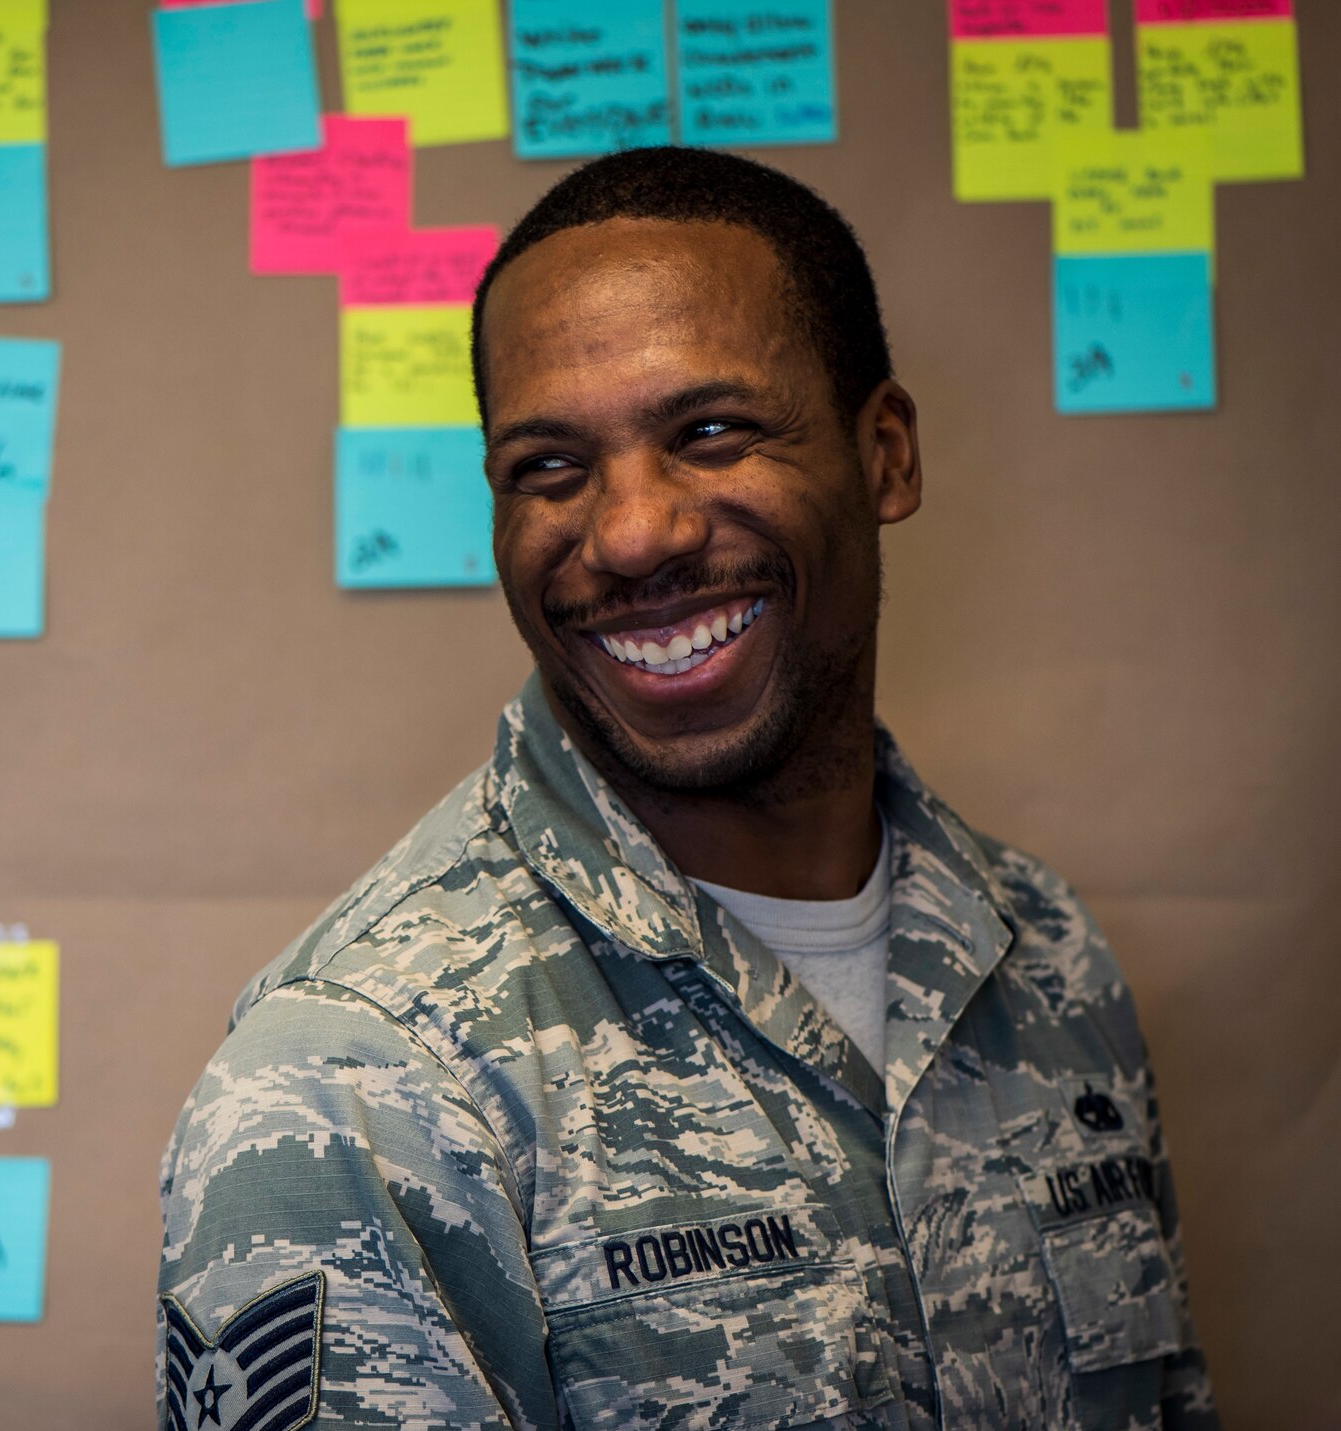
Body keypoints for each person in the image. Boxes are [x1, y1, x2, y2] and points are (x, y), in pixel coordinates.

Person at [156, 147, 1217, 1431]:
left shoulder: (1045, 959)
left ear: (882, 454)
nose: (631, 532)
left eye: (709, 433)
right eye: (547, 466)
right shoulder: (355, 1081)